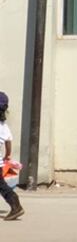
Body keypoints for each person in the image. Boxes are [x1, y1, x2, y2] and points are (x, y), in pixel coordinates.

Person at [0, 92, 24, 221]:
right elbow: (8, 141)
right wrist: (7, 155)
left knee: (2, 186)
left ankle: (16, 206)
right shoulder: (4, 126)